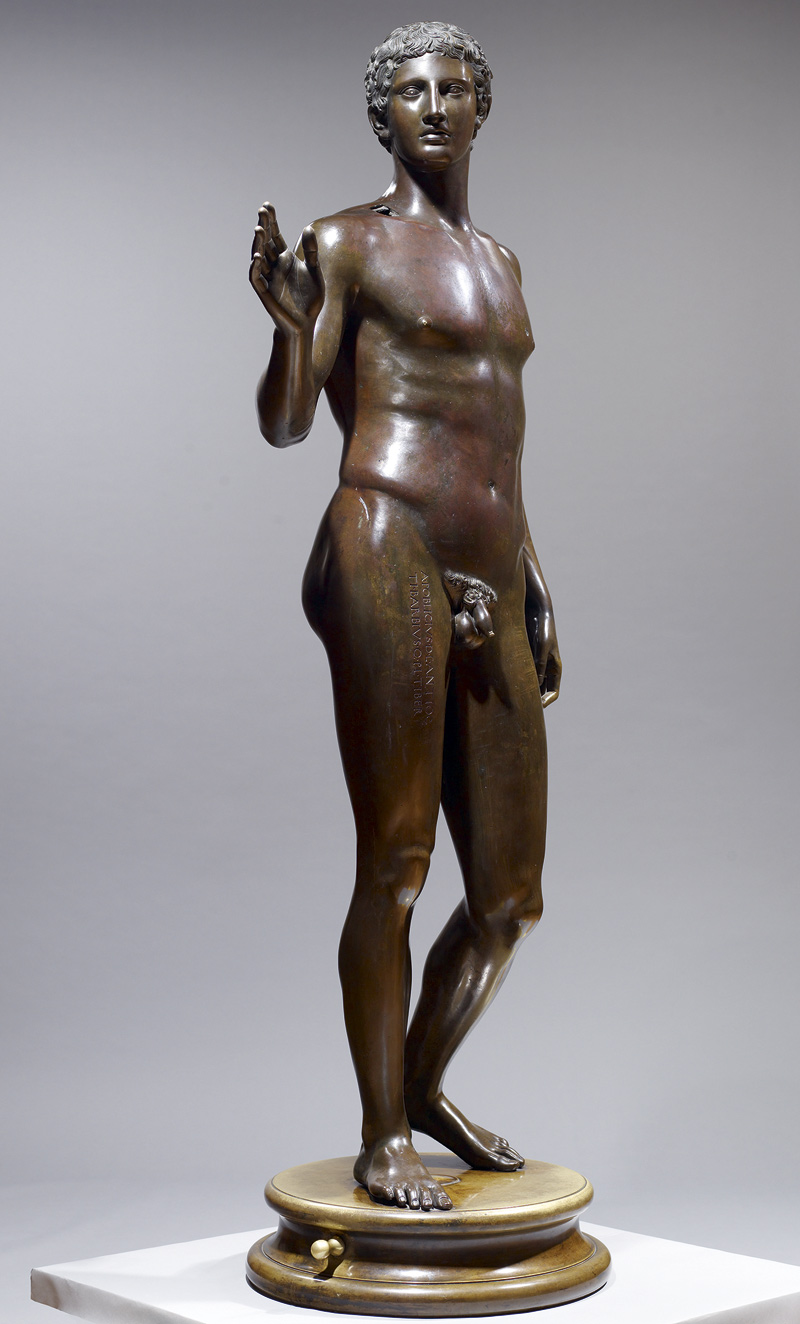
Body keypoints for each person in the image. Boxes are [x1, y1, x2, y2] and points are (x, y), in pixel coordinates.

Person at [249, 21, 561, 1213]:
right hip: (384, 540)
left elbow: (494, 436)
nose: (433, 106)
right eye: (411, 90)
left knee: (507, 898)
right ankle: (382, 1133)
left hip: (491, 562)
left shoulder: (502, 262)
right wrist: (290, 331)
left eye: (453, 88)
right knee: (396, 857)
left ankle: (421, 1086)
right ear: (382, 113)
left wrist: (529, 572)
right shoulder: (344, 243)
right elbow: (287, 424)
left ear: (481, 109)